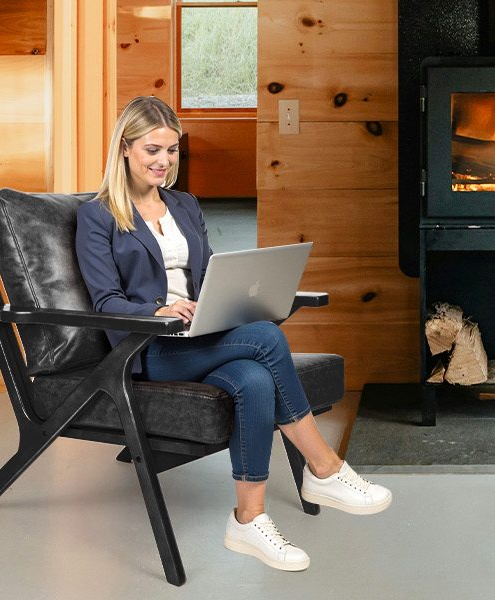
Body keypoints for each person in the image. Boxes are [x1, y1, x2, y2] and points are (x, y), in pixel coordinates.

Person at [75, 97, 392, 572]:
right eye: (152, 150)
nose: (164, 162)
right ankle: (324, 467)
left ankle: (248, 519)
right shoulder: (99, 216)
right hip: (149, 347)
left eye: (173, 151)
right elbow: (105, 303)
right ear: (124, 148)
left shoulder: (184, 204)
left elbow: (205, 279)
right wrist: (159, 309)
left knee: (254, 379)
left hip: (199, 334)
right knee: (264, 337)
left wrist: (230, 299)